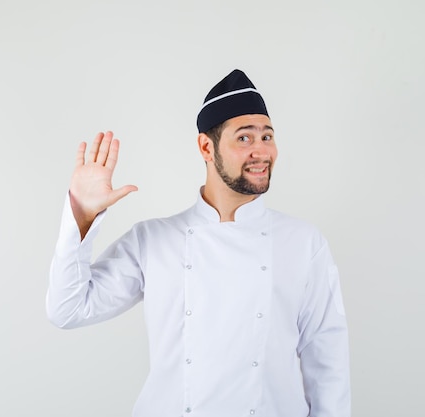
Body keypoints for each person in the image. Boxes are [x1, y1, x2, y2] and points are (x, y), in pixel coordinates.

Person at [47, 69, 351, 417]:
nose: (262, 151)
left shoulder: (304, 242)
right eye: (245, 138)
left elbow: (328, 360)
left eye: (267, 136)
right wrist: (82, 216)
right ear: (206, 147)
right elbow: (67, 309)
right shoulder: (153, 240)